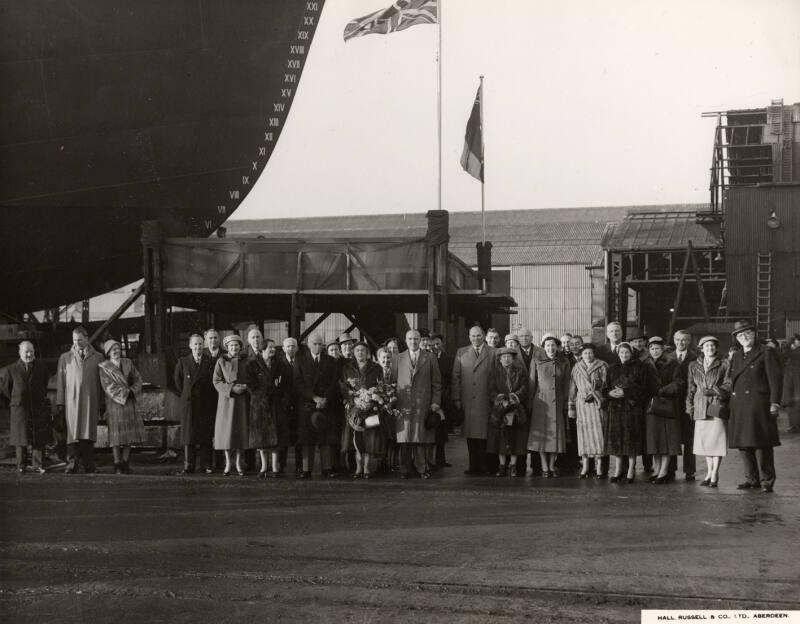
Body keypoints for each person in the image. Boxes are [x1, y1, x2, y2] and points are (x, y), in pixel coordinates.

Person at [723, 321, 782, 493]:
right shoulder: (736, 356)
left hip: (759, 404)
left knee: (761, 443)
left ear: (755, 334)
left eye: (747, 333)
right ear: (737, 339)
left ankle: (766, 480)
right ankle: (751, 479)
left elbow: (775, 380)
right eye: (740, 335)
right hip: (739, 405)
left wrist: (775, 402)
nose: (744, 337)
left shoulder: (766, 352)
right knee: (744, 443)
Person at [393, 329, 441, 479]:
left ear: (420, 340)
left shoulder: (430, 357)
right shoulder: (398, 358)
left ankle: (422, 468)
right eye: (410, 339)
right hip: (403, 404)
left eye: (416, 339)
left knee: (420, 438)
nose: (413, 341)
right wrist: (392, 402)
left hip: (423, 403)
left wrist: (435, 402)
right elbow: (392, 383)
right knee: (405, 438)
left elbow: (437, 383)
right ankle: (405, 469)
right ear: (405, 341)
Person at [56, 327, 104, 473]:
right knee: (72, 432)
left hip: (91, 400)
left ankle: (89, 464)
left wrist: (102, 403)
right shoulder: (65, 358)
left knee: (88, 432)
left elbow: (102, 382)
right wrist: (60, 402)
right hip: (72, 402)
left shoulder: (98, 357)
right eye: (74, 340)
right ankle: (71, 464)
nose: (77, 343)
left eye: (80, 340)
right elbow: (60, 382)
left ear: (87, 338)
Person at [604, 342, 652, 483]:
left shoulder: (641, 367)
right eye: (621, 353)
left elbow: (644, 389)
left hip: (632, 409)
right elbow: (605, 387)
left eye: (627, 352)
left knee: (631, 440)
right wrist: (610, 393)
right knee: (617, 440)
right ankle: (618, 469)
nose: (624, 355)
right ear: (618, 354)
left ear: (632, 353)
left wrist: (625, 392)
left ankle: (631, 468)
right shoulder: (612, 368)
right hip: (615, 408)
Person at [0, 341, 50, 473]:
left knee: (38, 437)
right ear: (19, 352)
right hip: (19, 408)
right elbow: (6, 389)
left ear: (34, 351)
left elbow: (44, 384)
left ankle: (38, 464)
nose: (29, 354)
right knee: (20, 437)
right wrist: (17, 398)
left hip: (37, 405)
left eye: (31, 352)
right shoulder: (10, 370)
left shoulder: (42, 367)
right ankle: (21, 465)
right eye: (26, 352)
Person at [686, 336, 729, 487]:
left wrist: (715, 391)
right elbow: (691, 387)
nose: (709, 348)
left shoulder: (724, 364)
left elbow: (728, 384)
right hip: (700, 406)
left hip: (716, 406)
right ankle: (709, 472)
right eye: (706, 346)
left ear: (716, 347)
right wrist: (689, 406)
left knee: (716, 442)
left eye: (712, 345)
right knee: (705, 443)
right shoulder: (693, 365)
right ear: (701, 348)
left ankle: (715, 473)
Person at [452, 326, 495, 475]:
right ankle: (473, 465)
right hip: (467, 400)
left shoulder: (492, 352)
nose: (475, 338)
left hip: (485, 400)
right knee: (470, 435)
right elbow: (455, 377)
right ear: (469, 337)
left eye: (478, 335)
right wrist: (456, 398)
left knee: (484, 435)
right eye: (473, 336)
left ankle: (484, 466)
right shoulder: (461, 352)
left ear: (483, 336)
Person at [341, 342, 388, 478]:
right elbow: (343, 387)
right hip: (354, 409)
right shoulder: (347, 367)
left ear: (367, 352)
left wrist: (372, 397)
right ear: (354, 352)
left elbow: (381, 386)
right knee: (356, 439)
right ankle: (358, 468)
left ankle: (367, 468)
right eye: (357, 350)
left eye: (363, 350)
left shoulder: (376, 367)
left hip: (371, 408)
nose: (360, 353)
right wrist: (353, 398)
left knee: (369, 439)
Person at [245, 338, 291, 477]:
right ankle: (264, 467)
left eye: (274, 348)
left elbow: (285, 384)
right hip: (259, 406)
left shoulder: (280, 365)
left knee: (277, 438)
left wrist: (278, 394)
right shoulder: (252, 365)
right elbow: (251, 385)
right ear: (262, 349)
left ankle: (275, 466)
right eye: (270, 347)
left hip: (276, 405)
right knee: (261, 439)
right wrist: (265, 394)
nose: (273, 350)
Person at [295, 333, 339, 478]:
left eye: (320, 344)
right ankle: (307, 469)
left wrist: (325, 398)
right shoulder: (300, 360)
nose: (318, 347)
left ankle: (326, 468)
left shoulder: (331, 361)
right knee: (307, 439)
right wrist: (314, 397)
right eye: (315, 344)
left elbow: (334, 382)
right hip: (308, 404)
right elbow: (298, 383)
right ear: (308, 345)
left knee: (325, 438)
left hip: (325, 404)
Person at [98, 339, 145, 474]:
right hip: (114, 404)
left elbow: (138, 379)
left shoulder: (128, 362)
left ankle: (125, 461)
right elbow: (108, 387)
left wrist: (133, 391)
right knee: (116, 435)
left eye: (118, 348)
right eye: (113, 350)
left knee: (129, 433)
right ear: (108, 352)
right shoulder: (104, 367)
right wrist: (126, 393)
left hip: (129, 401)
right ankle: (117, 463)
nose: (116, 351)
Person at [527, 334, 571, 477]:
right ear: (543, 347)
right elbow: (532, 383)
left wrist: (565, 403)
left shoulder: (564, 362)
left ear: (558, 347)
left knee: (555, 437)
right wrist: (530, 404)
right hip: (541, 404)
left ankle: (552, 466)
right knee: (541, 437)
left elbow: (566, 385)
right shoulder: (537, 361)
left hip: (557, 404)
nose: (550, 348)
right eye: (547, 345)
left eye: (553, 345)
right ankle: (545, 467)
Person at [174, 334, 217, 475]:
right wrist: (187, 395)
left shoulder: (209, 361)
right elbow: (178, 382)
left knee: (205, 435)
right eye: (195, 344)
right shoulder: (183, 361)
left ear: (203, 346)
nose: (198, 347)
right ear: (190, 346)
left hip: (205, 402)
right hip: (189, 403)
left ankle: (206, 464)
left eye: (200, 344)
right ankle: (188, 464)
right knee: (189, 435)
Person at [644, 337, 684, 484]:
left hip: (667, 404)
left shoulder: (672, 363)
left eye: (658, 348)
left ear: (663, 350)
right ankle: (657, 469)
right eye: (652, 348)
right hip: (651, 405)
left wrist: (663, 390)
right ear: (649, 350)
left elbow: (679, 382)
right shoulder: (645, 364)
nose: (655, 351)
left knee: (667, 441)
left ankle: (664, 471)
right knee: (655, 440)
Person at [568, 343, 608, 479]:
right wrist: (571, 406)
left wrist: (597, 393)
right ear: (581, 355)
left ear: (594, 353)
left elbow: (606, 384)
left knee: (598, 434)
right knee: (583, 435)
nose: (588, 355)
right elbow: (572, 388)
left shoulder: (602, 365)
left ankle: (599, 467)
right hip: (582, 404)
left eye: (590, 353)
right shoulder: (576, 367)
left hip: (596, 404)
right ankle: (585, 466)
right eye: (585, 353)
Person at [487, 347, 529, 476]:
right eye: (503, 357)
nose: (506, 359)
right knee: (501, 439)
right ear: (499, 359)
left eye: (509, 356)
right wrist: (500, 399)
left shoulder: (520, 371)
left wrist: (514, 397)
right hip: (500, 410)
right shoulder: (494, 372)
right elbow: (491, 389)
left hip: (515, 409)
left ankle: (513, 465)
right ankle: (501, 465)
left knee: (516, 438)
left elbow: (525, 387)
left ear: (513, 358)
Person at [212, 334, 249, 476]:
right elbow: (216, 381)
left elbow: (252, 378)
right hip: (227, 401)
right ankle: (228, 463)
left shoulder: (246, 362)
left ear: (240, 347)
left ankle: (239, 463)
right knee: (226, 433)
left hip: (241, 402)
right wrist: (231, 389)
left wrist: (246, 387)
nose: (234, 348)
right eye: (231, 345)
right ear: (227, 347)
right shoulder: (221, 361)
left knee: (240, 433)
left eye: (237, 345)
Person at [670, 329, 698, 481]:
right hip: (672, 403)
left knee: (689, 438)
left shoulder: (696, 357)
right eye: (678, 340)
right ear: (674, 340)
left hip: (689, 403)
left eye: (684, 340)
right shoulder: (668, 357)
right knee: (673, 436)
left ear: (689, 341)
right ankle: (671, 469)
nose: (681, 343)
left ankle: (690, 470)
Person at [430, 333, 453, 468]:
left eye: (438, 344)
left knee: (442, 431)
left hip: (444, 400)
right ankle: (430, 459)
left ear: (442, 345)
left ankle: (441, 459)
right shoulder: (427, 358)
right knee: (431, 428)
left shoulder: (448, 360)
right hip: (431, 398)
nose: (435, 347)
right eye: (433, 345)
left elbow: (451, 380)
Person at [781, 333, 800, 433]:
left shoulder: (797, 352)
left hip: (795, 382)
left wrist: (789, 343)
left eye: (796, 340)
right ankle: (793, 425)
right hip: (791, 381)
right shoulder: (794, 352)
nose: (795, 342)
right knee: (791, 404)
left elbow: (786, 351)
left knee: (795, 404)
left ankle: (795, 426)